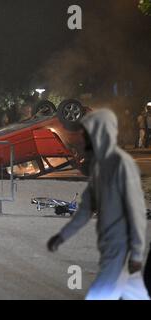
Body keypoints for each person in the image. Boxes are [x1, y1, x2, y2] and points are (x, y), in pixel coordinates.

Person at [47, 109, 149, 300]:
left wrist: (136, 253)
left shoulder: (121, 164)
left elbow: (136, 210)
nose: (83, 139)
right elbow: (85, 209)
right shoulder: (100, 166)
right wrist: (62, 236)